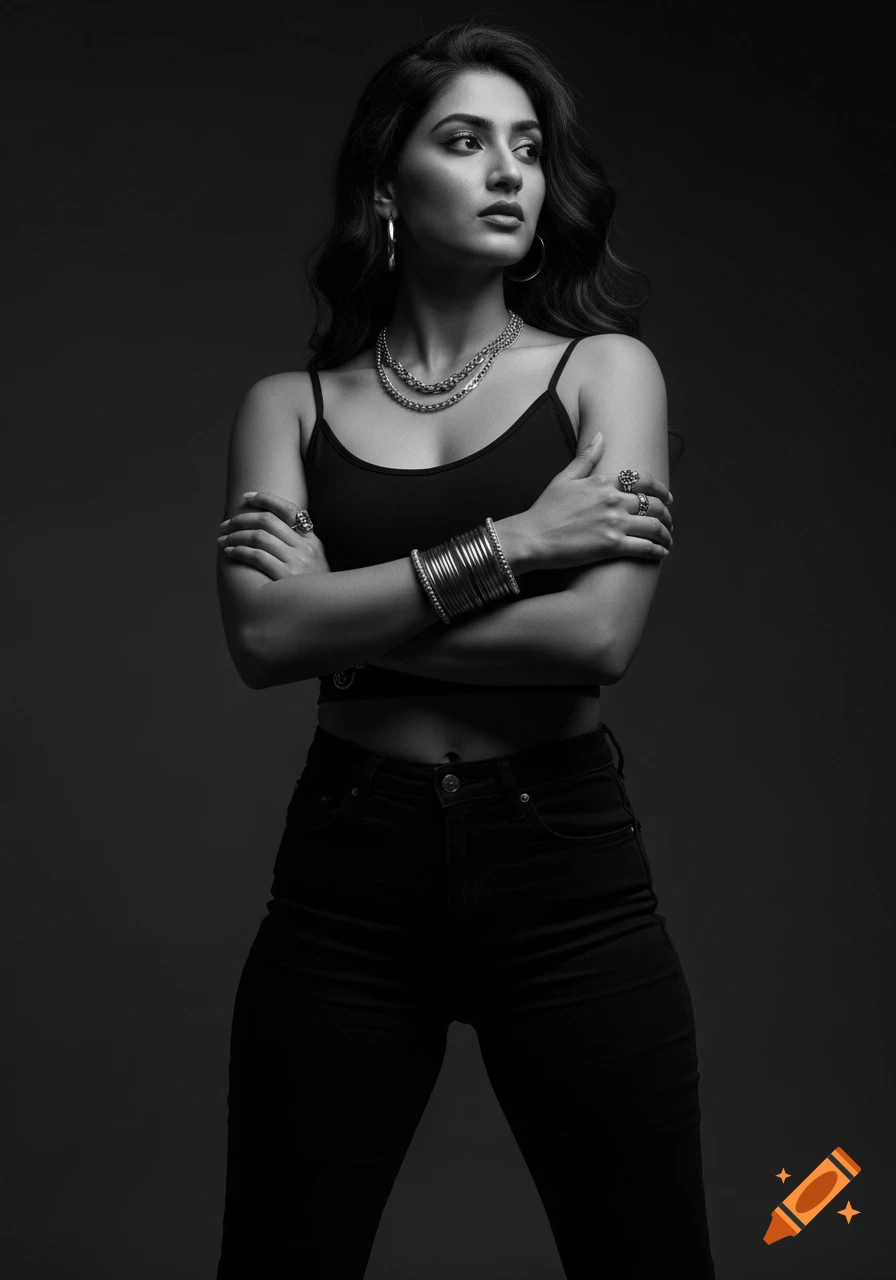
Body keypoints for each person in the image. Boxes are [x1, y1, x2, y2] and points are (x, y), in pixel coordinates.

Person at [214, 19, 715, 1279]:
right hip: (347, 866)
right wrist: (519, 538)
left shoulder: (607, 373)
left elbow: (594, 634)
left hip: (561, 863)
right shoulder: (291, 405)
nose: (508, 171)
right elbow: (259, 636)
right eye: (464, 139)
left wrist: (349, 621)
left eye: (528, 148)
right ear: (387, 189)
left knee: (647, 1256)